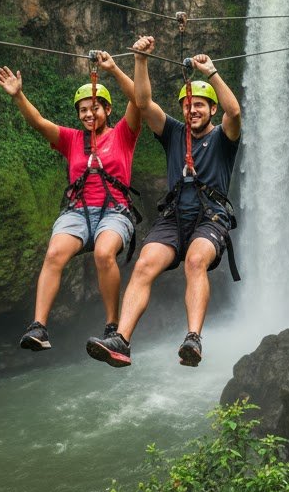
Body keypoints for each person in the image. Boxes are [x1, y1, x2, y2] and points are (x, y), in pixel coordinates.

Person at [87, 38, 242, 369]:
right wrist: (140, 60)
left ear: (212, 109)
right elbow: (143, 104)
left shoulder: (223, 138)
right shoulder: (172, 132)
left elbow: (235, 111)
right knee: (144, 264)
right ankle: (121, 341)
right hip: (173, 218)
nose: (193, 110)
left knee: (196, 261)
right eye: (188, 105)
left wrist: (211, 73)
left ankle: (193, 338)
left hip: (210, 219)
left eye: (200, 105)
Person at [0, 54, 141, 353]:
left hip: (115, 211)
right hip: (78, 211)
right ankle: (39, 327)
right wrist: (19, 95)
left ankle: (112, 326)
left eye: (94, 108)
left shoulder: (123, 135)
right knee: (54, 254)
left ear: (107, 109)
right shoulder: (71, 139)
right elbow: (38, 122)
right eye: (83, 110)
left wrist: (113, 69)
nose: (88, 115)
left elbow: (138, 99)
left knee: (104, 253)